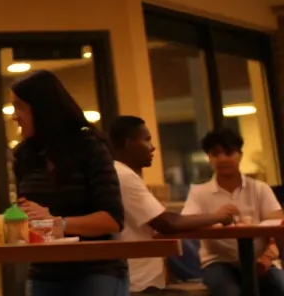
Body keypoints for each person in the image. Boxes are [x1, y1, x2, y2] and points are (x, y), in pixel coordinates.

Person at [11, 71, 127, 296]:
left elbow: (112, 220)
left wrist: (57, 224)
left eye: (20, 107)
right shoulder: (24, 155)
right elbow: (27, 214)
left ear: (42, 108)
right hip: (43, 271)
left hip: (95, 269)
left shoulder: (90, 148)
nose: (15, 115)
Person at [108, 115, 239, 293]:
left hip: (135, 279)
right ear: (129, 143)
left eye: (229, 153)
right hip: (138, 284)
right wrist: (219, 216)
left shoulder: (116, 173)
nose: (153, 147)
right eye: (146, 140)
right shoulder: (124, 175)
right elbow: (168, 223)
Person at [181, 128, 284, 296]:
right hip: (218, 261)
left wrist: (266, 257)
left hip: (259, 259)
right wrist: (216, 217)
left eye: (229, 153)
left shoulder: (259, 188)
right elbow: (187, 222)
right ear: (209, 158)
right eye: (215, 154)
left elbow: (277, 221)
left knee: (280, 287)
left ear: (240, 155)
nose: (222, 158)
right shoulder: (199, 192)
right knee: (229, 292)